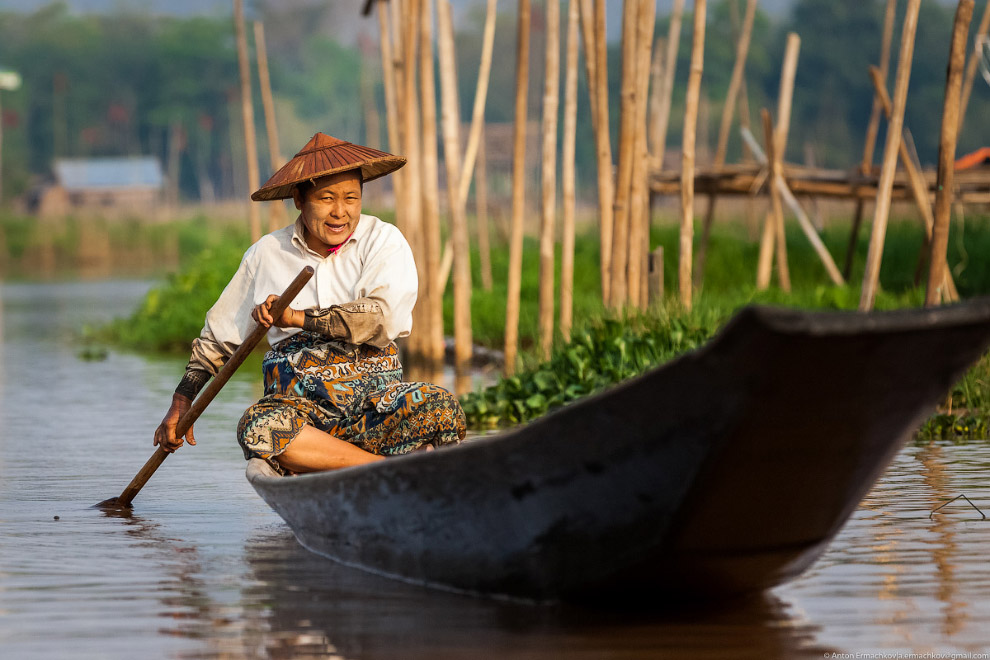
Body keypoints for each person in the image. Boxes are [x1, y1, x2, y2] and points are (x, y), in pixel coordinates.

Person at [153, 133, 466, 474]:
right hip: (303, 417)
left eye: (351, 198)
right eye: (326, 198)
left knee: (441, 405)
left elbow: (383, 318)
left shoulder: (383, 240)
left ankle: (365, 464)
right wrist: (182, 401)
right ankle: (383, 469)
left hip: (375, 410)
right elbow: (218, 339)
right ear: (299, 199)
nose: (340, 212)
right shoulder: (267, 253)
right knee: (257, 427)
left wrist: (296, 317)